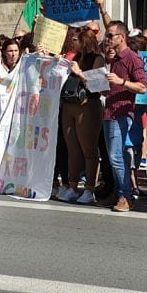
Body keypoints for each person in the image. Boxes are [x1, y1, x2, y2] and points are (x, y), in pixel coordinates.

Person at [101, 21, 146, 213]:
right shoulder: (115, 59)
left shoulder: (132, 59)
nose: (107, 39)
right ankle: (119, 191)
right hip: (110, 110)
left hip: (121, 112)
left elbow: (142, 86)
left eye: (111, 35)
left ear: (122, 37)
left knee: (116, 156)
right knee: (115, 157)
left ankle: (125, 196)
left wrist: (122, 81)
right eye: (107, 35)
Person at [57, 29, 105, 205]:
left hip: (88, 106)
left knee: (89, 150)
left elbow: (99, 85)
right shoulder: (75, 57)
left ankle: (90, 188)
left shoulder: (97, 58)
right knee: (72, 149)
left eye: (76, 39)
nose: (73, 41)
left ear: (84, 41)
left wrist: (79, 72)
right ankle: (72, 186)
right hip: (70, 105)